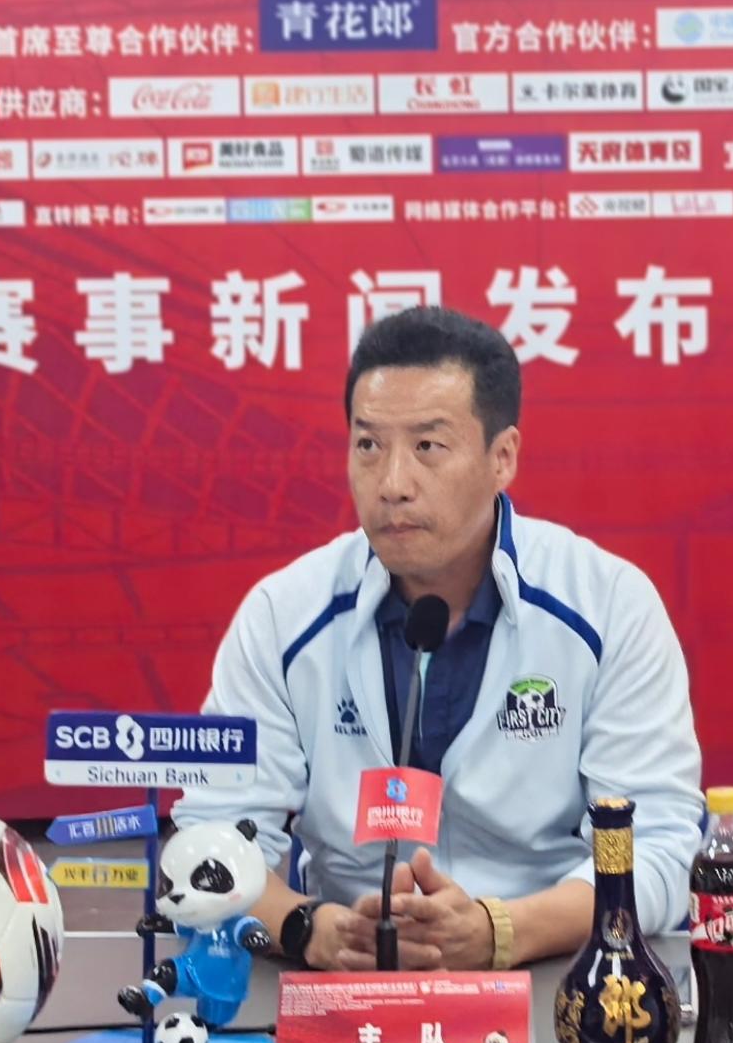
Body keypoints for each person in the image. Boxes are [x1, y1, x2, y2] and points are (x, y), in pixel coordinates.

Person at [172, 307, 704, 973]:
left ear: (502, 457)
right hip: (347, 977)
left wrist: (501, 930)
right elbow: (210, 840)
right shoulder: (285, 615)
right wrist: (310, 929)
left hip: (556, 971)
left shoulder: (608, 604)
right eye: (368, 446)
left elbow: (659, 846)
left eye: (427, 446)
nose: (393, 484)